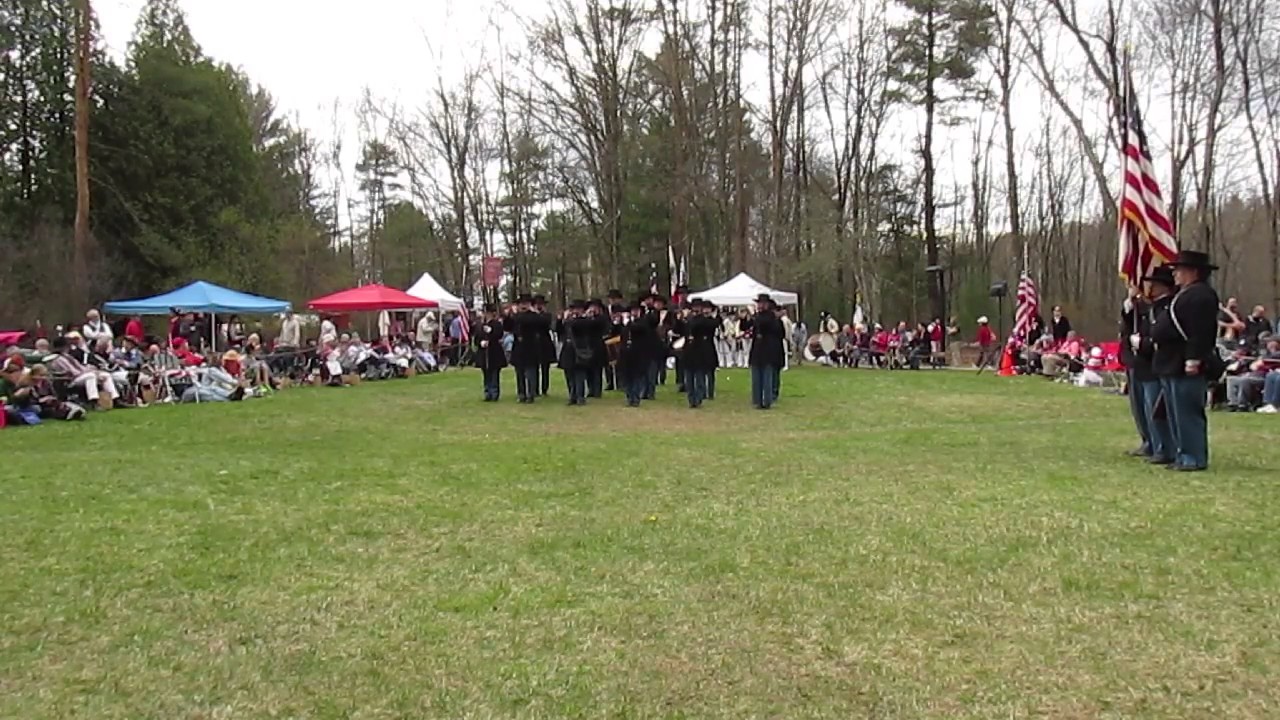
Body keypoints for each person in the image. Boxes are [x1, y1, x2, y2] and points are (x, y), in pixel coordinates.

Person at [1151, 251, 1222, 472]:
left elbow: (1200, 332)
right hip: (1172, 361)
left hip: (1185, 361)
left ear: (1193, 272)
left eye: (1179, 270)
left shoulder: (1201, 296)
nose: (1175, 274)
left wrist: (1194, 358)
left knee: (1187, 413)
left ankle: (1193, 457)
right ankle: (1182, 453)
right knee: (1174, 413)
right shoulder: (1185, 294)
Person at [1120, 284, 1153, 457]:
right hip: (1132, 359)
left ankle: (1155, 442)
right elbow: (1127, 324)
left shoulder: (1151, 307)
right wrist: (1130, 303)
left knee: (1149, 405)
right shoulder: (1133, 307)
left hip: (1147, 360)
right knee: (1137, 405)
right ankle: (1146, 439)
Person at [508, 294, 550, 403]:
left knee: (530, 372)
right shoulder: (515, 316)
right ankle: (521, 393)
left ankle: (531, 393)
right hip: (518, 347)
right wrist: (508, 315)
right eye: (521, 304)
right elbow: (507, 326)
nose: (523, 306)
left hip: (530, 347)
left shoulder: (533, 316)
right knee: (519, 373)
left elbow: (531, 321)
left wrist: (518, 314)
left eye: (525, 303)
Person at [748, 294, 784, 409]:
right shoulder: (758, 317)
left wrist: (754, 315)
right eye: (759, 303)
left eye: (762, 304)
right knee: (756, 377)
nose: (760, 306)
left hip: (768, 350)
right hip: (757, 349)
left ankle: (767, 400)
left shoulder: (771, 317)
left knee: (767, 376)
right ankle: (757, 400)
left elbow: (763, 323)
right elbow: (748, 326)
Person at [683, 299, 718, 408]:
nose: (696, 309)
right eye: (694, 307)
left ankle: (698, 398)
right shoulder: (688, 319)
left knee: (699, 378)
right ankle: (691, 399)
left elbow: (711, 324)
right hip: (689, 351)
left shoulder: (703, 320)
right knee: (689, 378)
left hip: (700, 351)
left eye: (698, 307)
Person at [618, 302, 653, 407]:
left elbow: (638, 329)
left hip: (638, 354)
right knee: (627, 377)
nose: (634, 312)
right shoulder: (628, 323)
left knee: (637, 377)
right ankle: (629, 397)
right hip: (626, 354)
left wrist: (628, 323)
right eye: (633, 310)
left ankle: (636, 398)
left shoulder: (643, 322)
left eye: (636, 310)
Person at [473, 303, 506, 401]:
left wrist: (491, 332)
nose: (485, 315)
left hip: (494, 352)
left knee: (494, 373)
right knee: (486, 373)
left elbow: (499, 335)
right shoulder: (480, 325)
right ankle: (487, 392)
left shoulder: (496, 324)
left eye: (487, 313)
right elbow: (476, 338)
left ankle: (494, 392)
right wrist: (480, 343)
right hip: (484, 352)